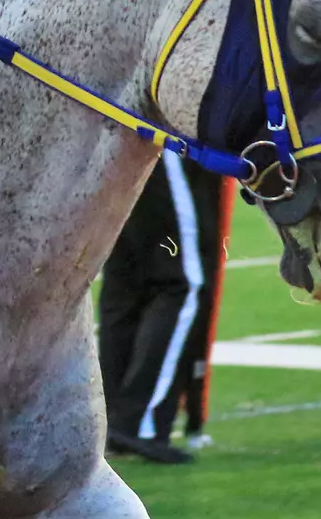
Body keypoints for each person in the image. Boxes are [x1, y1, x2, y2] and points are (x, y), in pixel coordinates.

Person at [99, 148, 226, 464]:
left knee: (125, 285)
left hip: (112, 136)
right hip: (160, 142)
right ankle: (142, 421)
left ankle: (109, 420)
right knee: (183, 283)